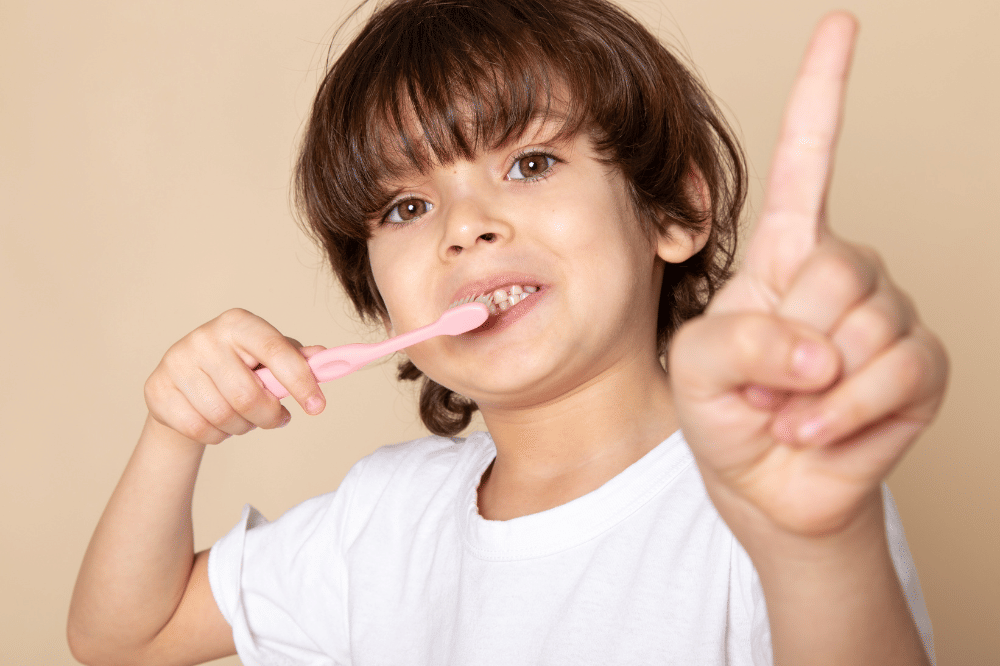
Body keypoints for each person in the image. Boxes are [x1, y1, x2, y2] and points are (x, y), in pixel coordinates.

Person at [68, 0, 947, 664]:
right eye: (408, 205)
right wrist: (173, 433)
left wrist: (821, 548)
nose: (465, 225)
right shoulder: (382, 520)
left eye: (530, 163)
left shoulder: (771, 501)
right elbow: (125, 636)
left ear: (672, 209)